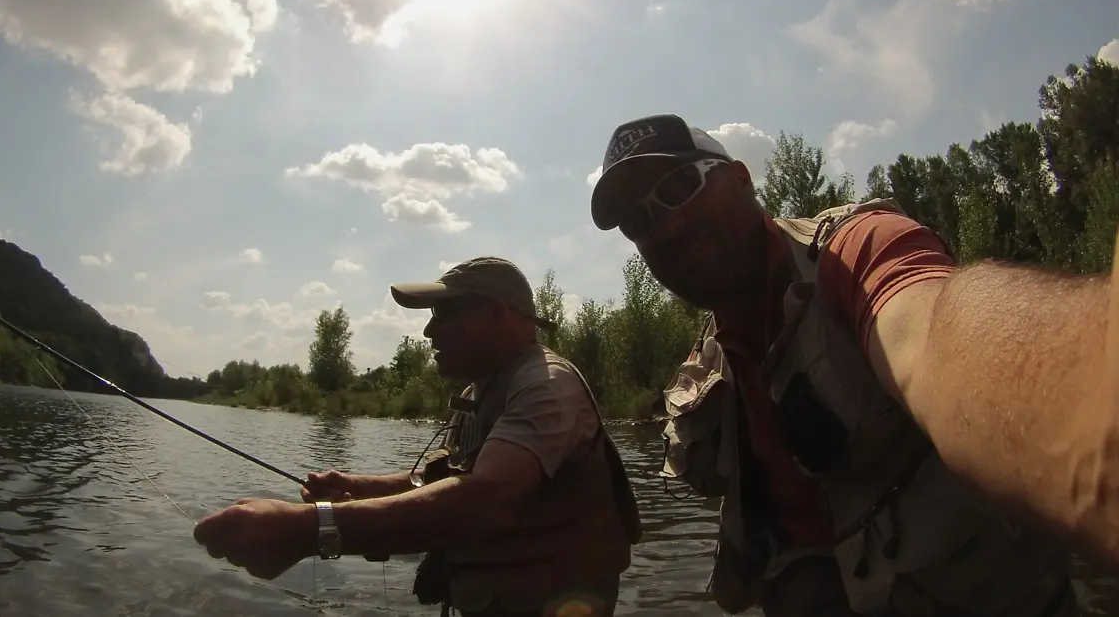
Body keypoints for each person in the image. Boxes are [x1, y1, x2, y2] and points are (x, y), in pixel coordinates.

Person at [588, 113, 1099, 617]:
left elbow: (934, 328)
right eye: (640, 220)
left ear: (740, 178)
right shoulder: (710, 358)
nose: (669, 225)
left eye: (680, 186)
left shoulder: (856, 250)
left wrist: (1079, 405)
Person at [192, 256, 643, 617]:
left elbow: (484, 500)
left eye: (444, 313)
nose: (429, 330)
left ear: (496, 313)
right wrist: (356, 488)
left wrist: (307, 529)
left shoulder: (545, 384)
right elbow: (439, 483)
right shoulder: (479, 391)